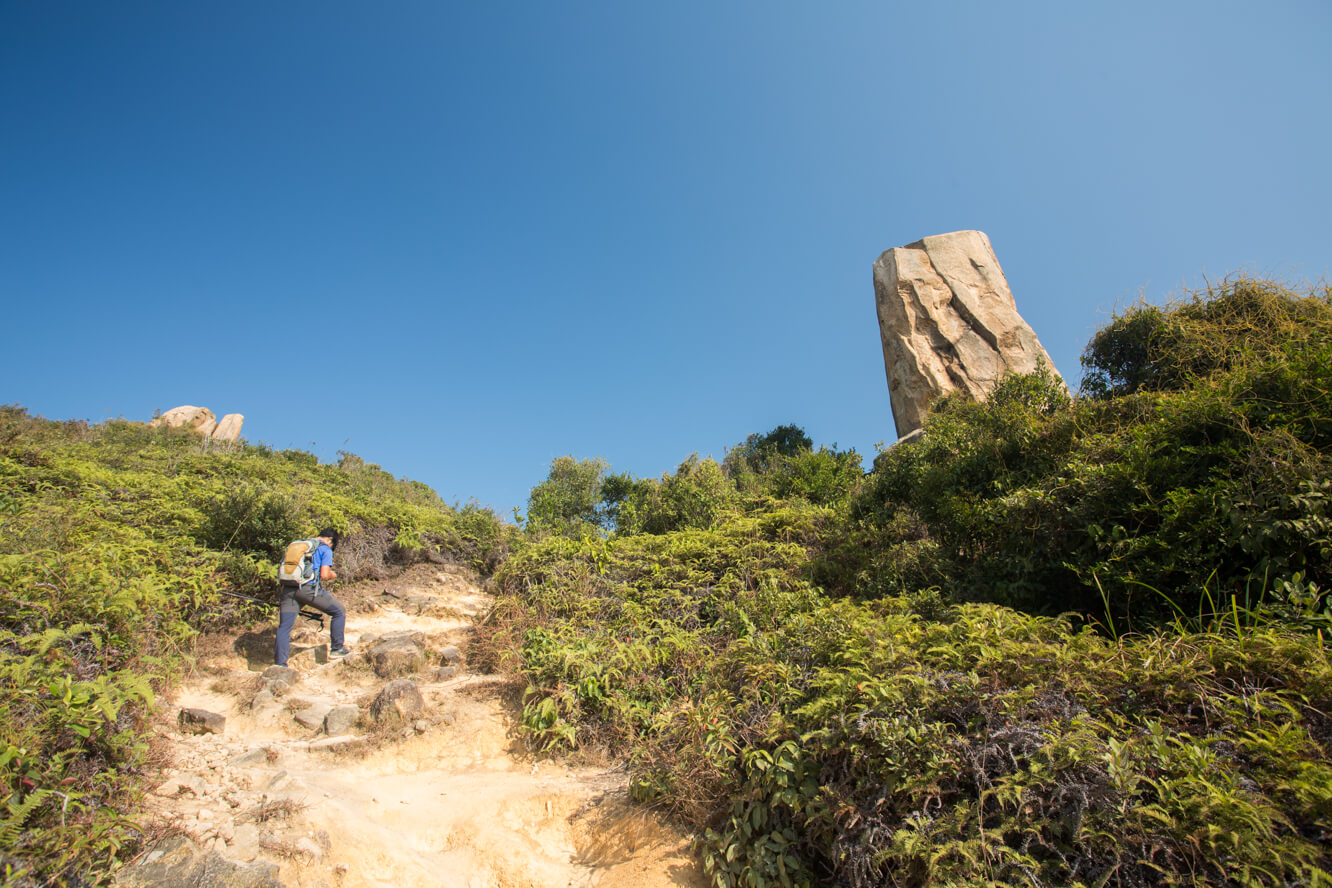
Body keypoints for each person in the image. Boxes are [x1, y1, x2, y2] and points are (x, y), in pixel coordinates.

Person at [274, 528, 351, 666]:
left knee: (284, 627)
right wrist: (334, 575)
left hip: (288, 588)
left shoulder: (301, 544)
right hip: (307, 589)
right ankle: (337, 648)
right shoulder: (324, 548)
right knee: (339, 611)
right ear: (330, 540)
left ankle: (280, 664)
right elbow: (325, 575)